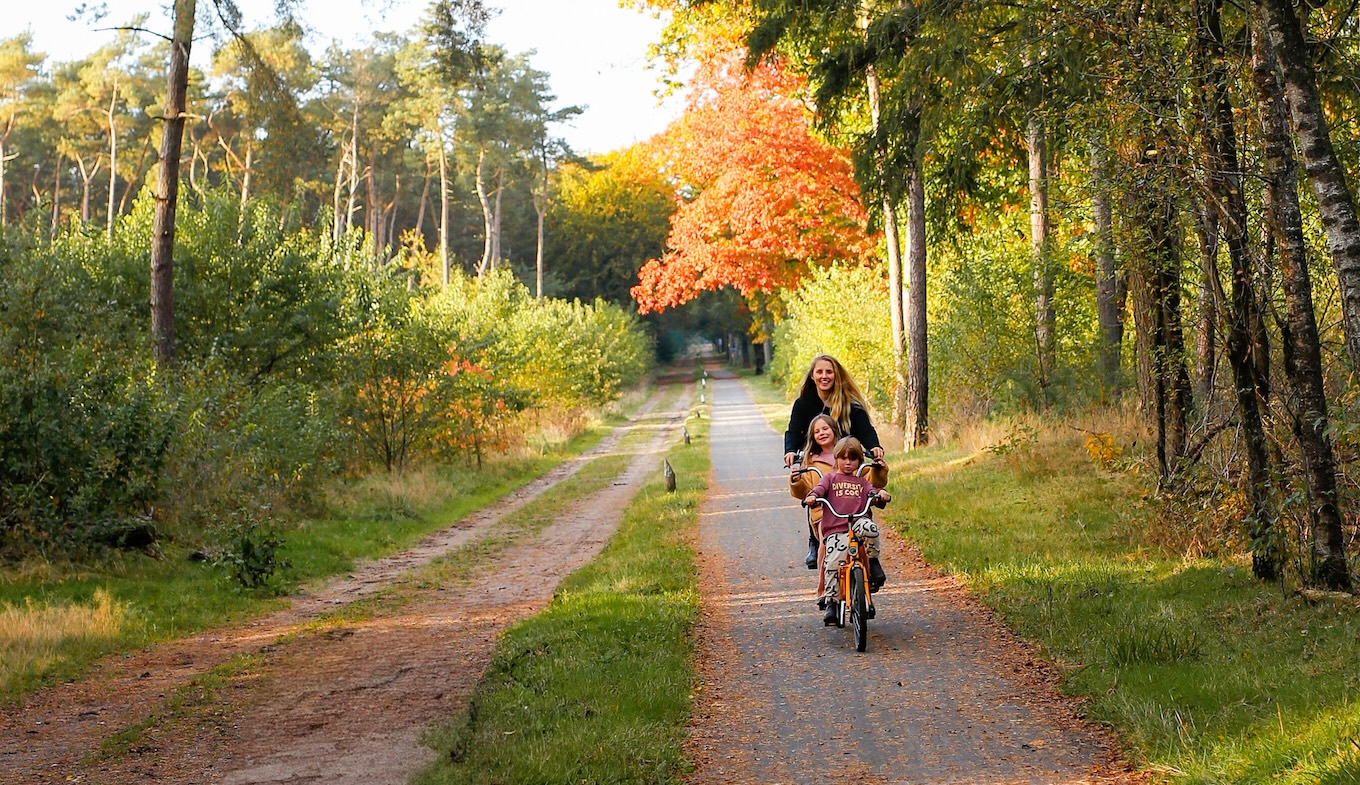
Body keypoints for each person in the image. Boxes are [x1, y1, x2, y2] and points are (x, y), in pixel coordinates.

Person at [803, 437, 891, 625]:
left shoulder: (862, 482)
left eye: (853, 459)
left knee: (871, 528)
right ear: (836, 459)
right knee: (833, 561)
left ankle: (874, 563)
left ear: (860, 461)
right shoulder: (830, 479)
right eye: (843, 458)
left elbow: (873, 492)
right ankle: (832, 603)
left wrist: (880, 494)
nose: (848, 463)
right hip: (837, 528)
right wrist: (812, 497)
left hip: (858, 523)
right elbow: (818, 490)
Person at [782, 355, 883, 471]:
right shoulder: (803, 404)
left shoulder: (852, 406)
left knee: (873, 487)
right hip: (815, 465)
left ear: (836, 375)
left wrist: (874, 446)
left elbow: (866, 431)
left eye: (829, 372)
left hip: (847, 465)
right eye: (819, 372)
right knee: (799, 484)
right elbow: (794, 432)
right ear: (812, 376)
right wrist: (790, 451)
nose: (824, 376)